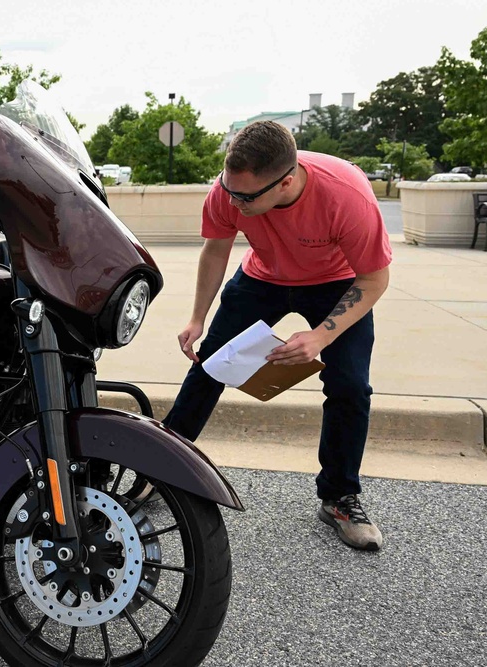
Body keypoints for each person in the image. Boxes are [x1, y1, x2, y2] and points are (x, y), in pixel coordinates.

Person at [164, 121, 392, 551]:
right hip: (262, 277)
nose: (234, 202)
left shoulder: (346, 196)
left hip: (336, 282)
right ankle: (161, 466)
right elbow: (216, 248)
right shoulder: (229, 190)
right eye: (229, 191)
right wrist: (197, 317)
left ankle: (339, 497)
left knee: (350, 386)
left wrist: (321, 336)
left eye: (246, 197)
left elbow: (375, 279)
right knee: (211, 363)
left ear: (286, 181)